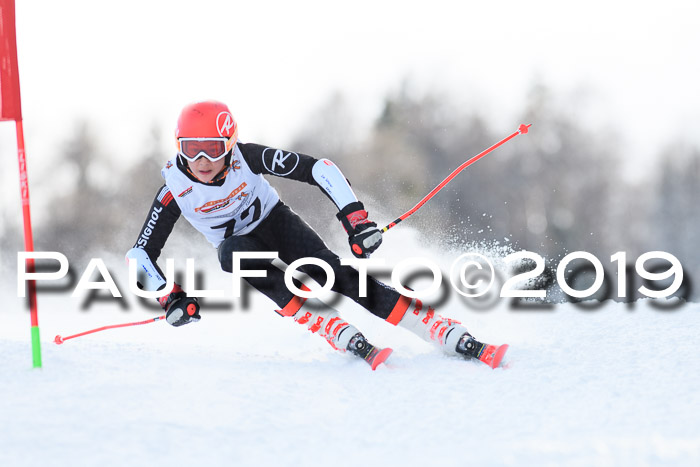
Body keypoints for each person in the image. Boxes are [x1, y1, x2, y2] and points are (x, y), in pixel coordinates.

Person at [126, 100, 507, 369]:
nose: (201, 162)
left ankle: (437, 328)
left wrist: (355, 219)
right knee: (232, 252)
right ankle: (323, 322)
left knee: (336, 276)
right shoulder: (175, 188)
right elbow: (139, 255)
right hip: (242, 247)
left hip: (277, 223)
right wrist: (168, 296)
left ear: (228, 144)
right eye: (190, 150)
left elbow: (319, 168)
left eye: (210, 149)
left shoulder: (248, 157)